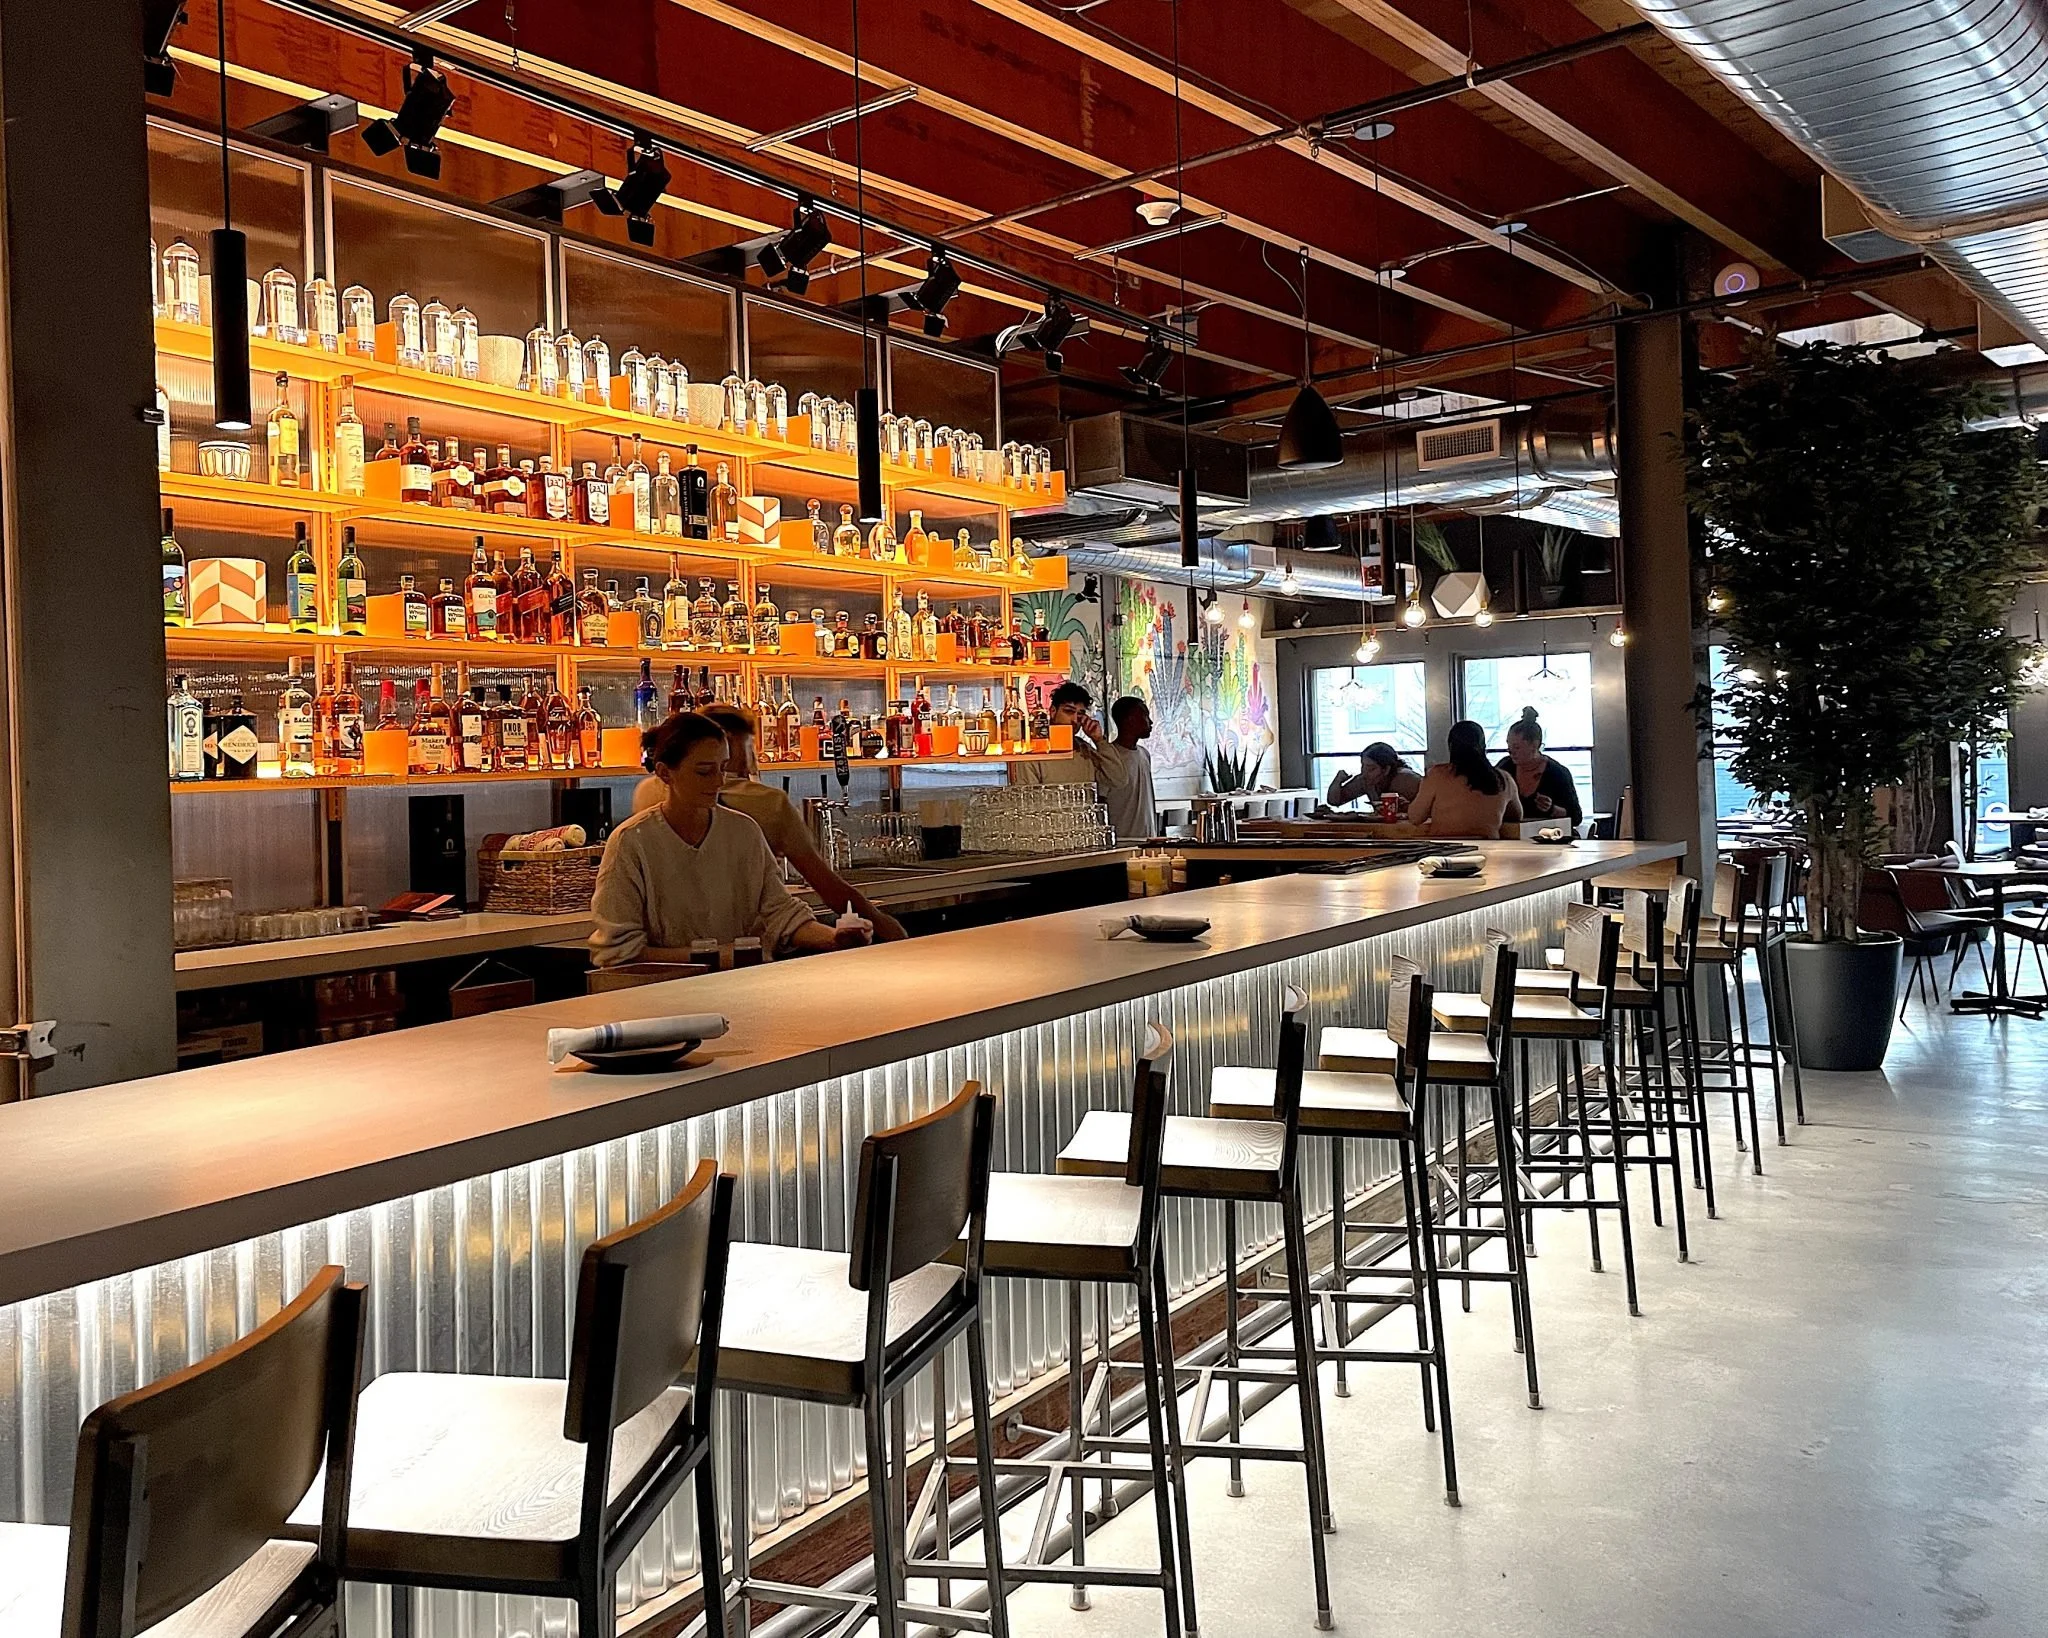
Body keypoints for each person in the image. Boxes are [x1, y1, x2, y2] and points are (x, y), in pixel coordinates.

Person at [591, 712, 870, 967]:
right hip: (660, 994)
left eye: (722, 768)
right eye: (704, 771)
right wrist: (716, 956)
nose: (718, 781)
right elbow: (619, 952)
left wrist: (833, 938)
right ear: (665, 773)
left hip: (740, 987)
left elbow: (781, 914)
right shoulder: (631, 842)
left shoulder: (743, 831)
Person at [634, 704, 908, 941]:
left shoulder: (648, 792)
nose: (753, 757)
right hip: (746, 951)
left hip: (668, 953)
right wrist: (885, 926)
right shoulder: (767, 803)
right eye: (751, 744)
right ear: (727, 741)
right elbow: (827, 886)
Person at [1406, 719, 1525, 839]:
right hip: (1487, 846)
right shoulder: (1504, 779)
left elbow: (1415, 817)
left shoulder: (1437, 775)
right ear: (1483, 746)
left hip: (1445, 846)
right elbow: (1516, 815)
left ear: (1451, 747)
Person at [1078, 695, 1159, 842]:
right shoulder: (1109, 759)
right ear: (1130, 720)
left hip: (1148, 838)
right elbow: (1100, 801)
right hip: (1122, 840)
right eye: (1145, 716)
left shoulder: (1144, 754)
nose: (1150, 722)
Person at [1498, 707, 1584, 828]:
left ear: (1535, 745)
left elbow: (1576, 817)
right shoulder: (1504, 767)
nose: (1511, 751)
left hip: (1548, 834)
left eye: (1517, 747)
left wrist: (1552, 809)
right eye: (1509, 746)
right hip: (1511, 834)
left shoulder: (1557, 773)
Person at [1012, 681, 1097, 786]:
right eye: (1069, 711)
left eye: (1080, 714)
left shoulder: (1085, 750)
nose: (1075, 720)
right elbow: (1029, 795)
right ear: (1053, 711)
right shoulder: (1033, 756)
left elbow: (1114, 781)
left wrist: (1099, 741)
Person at [1326, 742, 1423, 813]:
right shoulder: (1365, 780)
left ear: (1386, 769)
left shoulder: (1407, 779)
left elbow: (1431, 808)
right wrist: (1337, 781)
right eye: (1363, 766)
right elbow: (1334, 801)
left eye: (1371, 768)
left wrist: (1410, 807)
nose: (1364, 772)